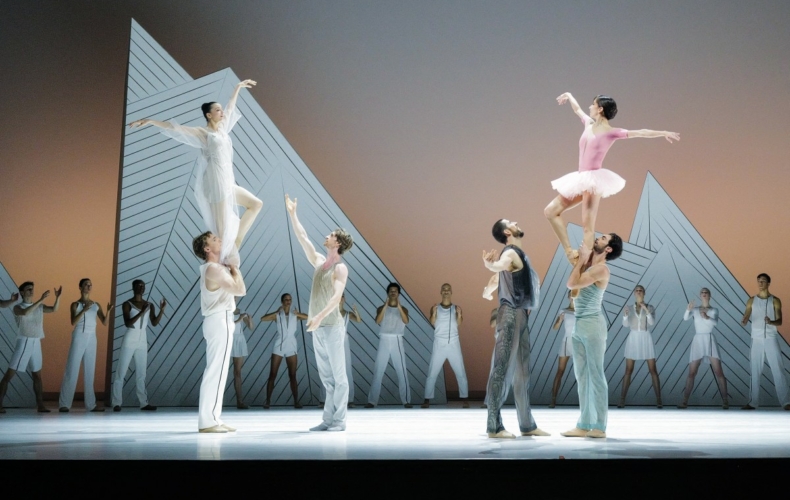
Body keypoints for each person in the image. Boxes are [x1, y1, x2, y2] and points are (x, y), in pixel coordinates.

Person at [128, 79, 263, 266]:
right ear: (209, 115)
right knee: (222, 233)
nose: (221, 112)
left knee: (256, 204)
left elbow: (231, 107)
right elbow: (176, 128)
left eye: (220, 109)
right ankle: (223, 264)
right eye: (217, 110)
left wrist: (237, 88)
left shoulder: (223, 129)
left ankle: (235, 246)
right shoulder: (204, 133)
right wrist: (151, 121)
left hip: (227, 181)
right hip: (215, 184)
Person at [545, 93, 679, 265]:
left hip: (594, 180)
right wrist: (569, 96)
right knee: (550, 211)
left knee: (588, 228)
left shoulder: (611, 132)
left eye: (593, 105)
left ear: (600, 109)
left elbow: (640, 133)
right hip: (579, 179)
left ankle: (582, 267)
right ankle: (571, 253)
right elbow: (577, 109)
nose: (590, 107)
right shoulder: (588, 123)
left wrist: (663, 132)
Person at [286, 195, 353, 431]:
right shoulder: (318, 262)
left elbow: (336, 298)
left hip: (331, 326)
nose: (326, 236)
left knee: (339, 377)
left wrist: (318, 317)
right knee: (326, 378)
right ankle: (327, 420)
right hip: (318, 327)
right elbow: (303, 238)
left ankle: (340, 421)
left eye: (331, 235)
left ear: (337, 243)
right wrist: (293, 214)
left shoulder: (340, 268)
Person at [481, 219, 548, 438]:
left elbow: (497, 276)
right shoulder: (509, 253)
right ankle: (494, 426)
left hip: (520, 316)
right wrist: (490, 265)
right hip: (510, 316)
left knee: (522, 373)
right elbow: (498, 267)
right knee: (502, 369)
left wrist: (488, 291)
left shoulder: (517, 255)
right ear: (508, 232)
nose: (517, 221)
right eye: (511, 222)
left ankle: (527, 424)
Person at [561, 233, 623, 439]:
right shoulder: (589, 265)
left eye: (604, 238)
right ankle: (584, 423)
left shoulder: (601, 269)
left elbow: (571, 284)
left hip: (593, 325)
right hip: (579, 324)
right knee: (582, 376)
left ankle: (599, 425)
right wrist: (581, 259)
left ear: (608, 249)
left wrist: (580, 262)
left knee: (595, 374)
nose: (598, 237)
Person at [192, 231, 246, 433]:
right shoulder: (213, 268)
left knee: (219, 371)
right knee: (216, 370)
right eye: (214, 239)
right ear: (207, 249)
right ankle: (207, 421)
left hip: (219, 320)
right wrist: (235, 269)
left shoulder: (213, 267)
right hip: (219, 320)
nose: (219, 240)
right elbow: (240, 290)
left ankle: (213, 417)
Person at [0, 282, 61, 413]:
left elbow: (54, 309)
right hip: (24, 341)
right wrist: (40, 300)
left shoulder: (39, 306)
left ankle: (41, 405)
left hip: (36, 341)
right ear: (22, 292)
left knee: (37, 375)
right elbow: (26, 312)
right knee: (9, 375)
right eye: (28, 289)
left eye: (32, 289)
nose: (31, 291)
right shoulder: (17, 307)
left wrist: (57, 298)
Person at [111, 280, 166, 412]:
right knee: (121, 371)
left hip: (142, 339)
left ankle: (143, 403)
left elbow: (154, 323)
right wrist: (141, 312)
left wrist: (162, 310)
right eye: (138, 286)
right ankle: (116, 402)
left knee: (141, 372)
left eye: (143, 286)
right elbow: (128, 323)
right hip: (130, 337)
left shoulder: (149, 305)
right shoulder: (127, 304)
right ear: (133, 288)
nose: (141, 288)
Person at [59, 279, 112, 412]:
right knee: (72, 369)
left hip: (92, 337)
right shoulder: (75, 304)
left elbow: (104, 322)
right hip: (79, 336)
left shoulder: (96, 305)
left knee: (90, 371)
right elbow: (73, 321)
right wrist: (83, 310)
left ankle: (91, 404)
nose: (89, 287)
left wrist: (108, 311)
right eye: (86, 285)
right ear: (80, 287)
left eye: (90, 285)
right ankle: (64, 404)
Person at [741, 273, 789, 410]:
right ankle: (752, 402)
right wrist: (744, 320)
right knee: (754, 370)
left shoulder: (775, 300)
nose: (760, 283)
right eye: (759, 281)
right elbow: (746, 316)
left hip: (770, 338)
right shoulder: (751, 300)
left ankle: (786, 402)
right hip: (756, 339)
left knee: (778, 369)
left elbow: (780, 321)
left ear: (768, 283)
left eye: (763, 281)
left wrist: (771, 321)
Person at [678, 288, 729, 409]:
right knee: (692, 372)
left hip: (709, 339)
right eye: (702, 293)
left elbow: (715, 323)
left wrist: (707, 317)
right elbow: (685, 318)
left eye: (706, 293)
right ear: (700, 295)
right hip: (698, 340)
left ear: (709, 296)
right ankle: (685, 400)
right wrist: (688, 309)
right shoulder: (695, 310)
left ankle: (725, 400)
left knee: (718, 371)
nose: (704, 294)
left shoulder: (714, 310)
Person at [365, 283, 413, 408]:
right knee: (378, 370)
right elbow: (378, 321)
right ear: (388, 293)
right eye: (391, 291)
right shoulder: (381, 308)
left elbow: (406, 321)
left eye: (395, 291)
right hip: (384, 339)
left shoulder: (404, 309)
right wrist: (386, 306)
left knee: (401, 371)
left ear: (398, 294)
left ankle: (406, 400)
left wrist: (399, 307)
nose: (393, 293)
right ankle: (372, 401)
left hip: (397, 339)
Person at [422, 283, 469, 408]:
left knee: (460, 371)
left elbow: (459, 323)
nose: (446, 291)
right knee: (432, 371)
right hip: (439, 343)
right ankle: (427, 399)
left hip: (454, 343)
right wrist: (433, 313)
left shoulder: (456, 308)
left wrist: (459, 314)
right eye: (444, 289)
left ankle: (464, 398)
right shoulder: (435, 307)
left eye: (448, 289)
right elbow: (432, 322)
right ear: (441, 292)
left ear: (451, 292)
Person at [260, 293, 307, 409]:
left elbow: (308, 317)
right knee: (273, 374)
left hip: (291, 345)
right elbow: (263, 318)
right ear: (282, 301)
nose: (288, 301)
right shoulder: (278, 315)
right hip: (279, 345)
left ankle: (296, 401)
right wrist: (275, 312)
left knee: (293, 375)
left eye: (290, 299)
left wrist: (298, 313)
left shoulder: (294, 314)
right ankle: (268, 401)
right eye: (286, 300)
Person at [618, 285, 662, 408]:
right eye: (636, 291)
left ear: (644, 293)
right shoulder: (629, 308)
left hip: (645, 337)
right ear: (634, 293)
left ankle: (659, 399)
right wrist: (625, 315)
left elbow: (652, 322)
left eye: (640, 290)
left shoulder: (650, 307)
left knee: (653, 370)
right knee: (628, 370)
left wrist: (646, 310)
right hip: (633, 338)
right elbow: (625, 325)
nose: (638, 292)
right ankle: (622, 399)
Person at [549, 291, 576, 408]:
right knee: (560, 371)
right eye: (571, 294)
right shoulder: (563, 311)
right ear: (568, 297)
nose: (573, 296)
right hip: (566, 342)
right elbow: (554, 328)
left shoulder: (583, 311)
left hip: (578, 343)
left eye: (575, 294)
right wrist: (559, 320)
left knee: (581, 373)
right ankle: (553, 399)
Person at [339, 294, 361, 407]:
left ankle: (350, 399)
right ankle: (325, 400)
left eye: (342, 296)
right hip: (332, 342)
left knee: (347, 369)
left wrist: (356, 310)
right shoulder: (330, 313)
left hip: (344, 342)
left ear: (344, 299)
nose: (340, 298)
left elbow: (358, 320)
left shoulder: (347, 314)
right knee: (330, 370)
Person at [231, 307, 253, 409]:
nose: (234, 298)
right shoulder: (225, 309)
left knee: (237, 372)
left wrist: (249, 319)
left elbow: (251, 327)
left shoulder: (241, 311)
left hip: (239, 340)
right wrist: (239, 319)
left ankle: (239, 401)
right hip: (229, 338)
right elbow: (228, 324)